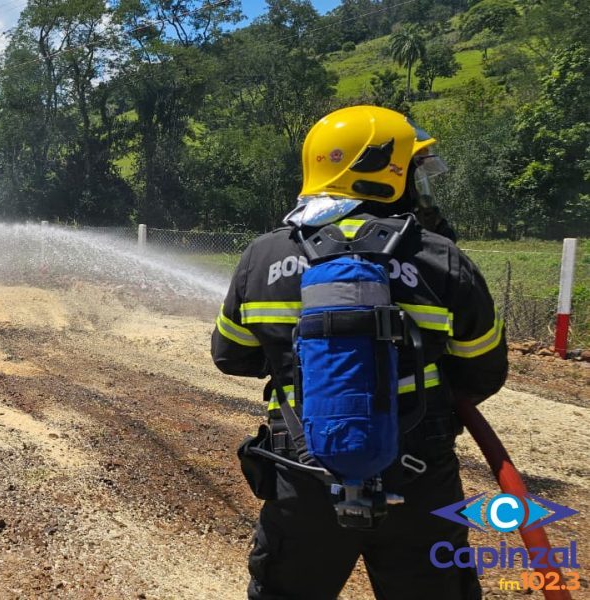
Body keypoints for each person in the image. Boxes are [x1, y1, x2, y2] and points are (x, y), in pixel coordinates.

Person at [211, 105, 507, 599]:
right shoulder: (440, 258)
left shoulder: (262, 256)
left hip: (302, 471)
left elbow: (231, 355)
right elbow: (483, 373)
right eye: (414, 172)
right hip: (418, 475)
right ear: (382, 175)